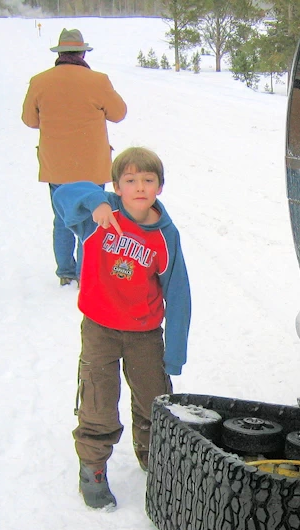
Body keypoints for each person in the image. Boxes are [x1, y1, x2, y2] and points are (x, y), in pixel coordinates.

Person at [53, 147, 191, 510]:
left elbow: (178, 293)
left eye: (148, 180)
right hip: (99, 328)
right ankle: (93, 468)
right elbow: (62, 195)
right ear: (117, 185)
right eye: (130, 180)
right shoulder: (99, 218)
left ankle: (154, 457)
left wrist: (175, 352)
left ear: (159, 187)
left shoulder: (165, 235)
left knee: (153, 398)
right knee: (99, 398)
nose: (140, 187)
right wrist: (95, 200)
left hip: (144, 333)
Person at [22, 28, 127, 287]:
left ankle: (65, 272)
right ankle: (85, 274)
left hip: (56, 165)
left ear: (60, 53)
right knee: (92, 219)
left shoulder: (39, 81)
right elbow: (119, 113)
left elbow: (29, 120)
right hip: (92, 165)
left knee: (62, 218)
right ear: (82, 52)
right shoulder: (98, 80)